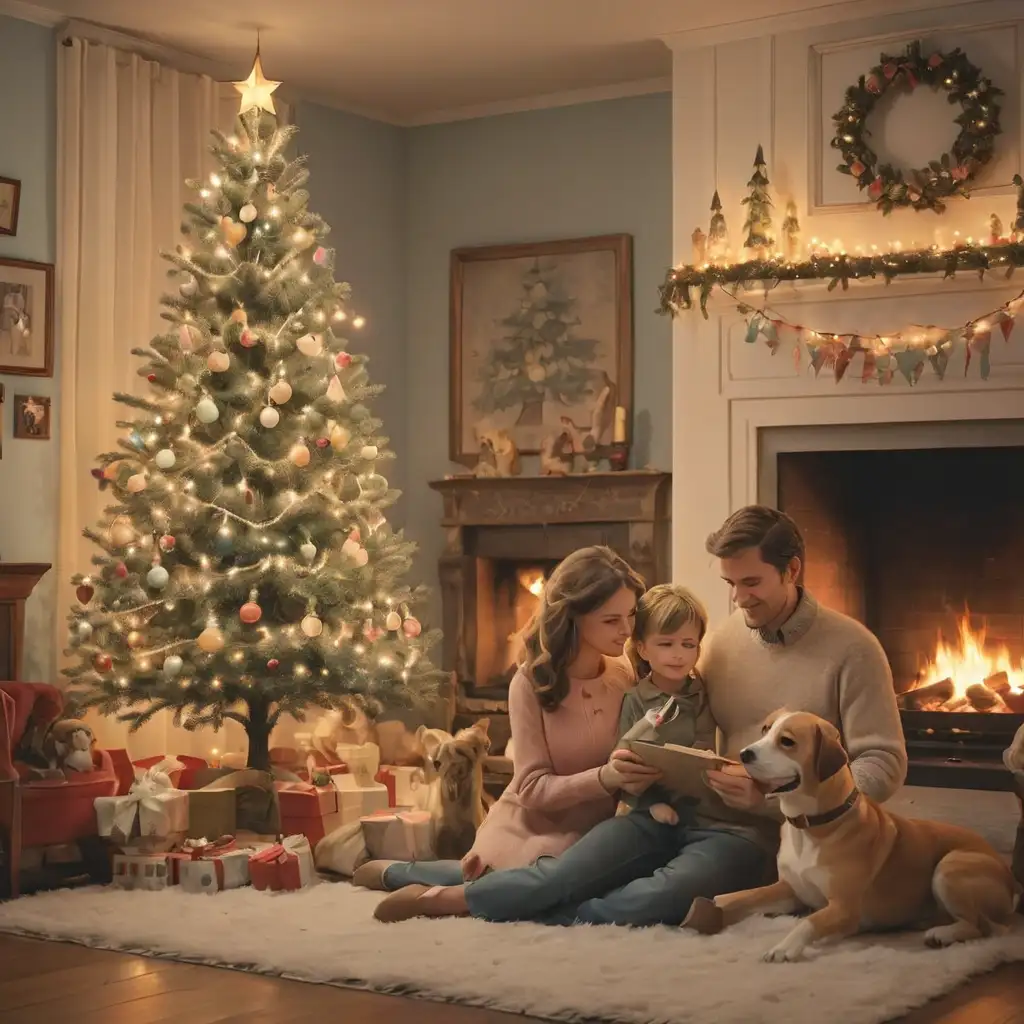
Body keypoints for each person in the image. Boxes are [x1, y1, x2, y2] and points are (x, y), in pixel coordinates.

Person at [372, 583, 770, 925]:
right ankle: (433, 890)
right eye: (666, 644)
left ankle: (548, 910)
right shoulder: (630, 690)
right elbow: (623, 755)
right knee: (559, 876)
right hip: (644, 814)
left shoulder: (705, 687)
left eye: (689, 645)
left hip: (702, 819)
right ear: (643, 648)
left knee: (653, 896)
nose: (680, 654)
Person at [353, 544, 652, 892]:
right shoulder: (529, 684)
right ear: (573, 617)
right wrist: (605, 778)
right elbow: (530, 788)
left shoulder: (623, 673)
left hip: (601, 829)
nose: (627, 629)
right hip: (534, 827)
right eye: (611, 620)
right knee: (529, 886)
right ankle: (401, 874)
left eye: (631, 615)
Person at [699, 505, 907, 812]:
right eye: (731, 584)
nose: (739, 600)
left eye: (752, 583)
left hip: (810, 835)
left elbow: (883, 763)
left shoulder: (855, 648)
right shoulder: (719, 641)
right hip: (712, 818)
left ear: (792, 570)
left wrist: (777, 803)